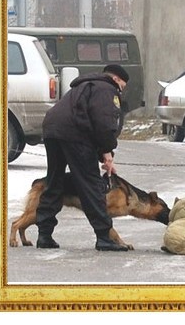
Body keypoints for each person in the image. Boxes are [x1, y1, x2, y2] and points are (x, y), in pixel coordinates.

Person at [35, 64, 131, 252]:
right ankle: (104, 237)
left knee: (54, 182)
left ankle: (44, 235)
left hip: (52, 130)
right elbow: (104, 123)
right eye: (122, 86)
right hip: (75, 135)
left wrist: (105, 153)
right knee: (91, 184)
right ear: (117, 80)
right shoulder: (106, 89)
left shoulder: (84, 85)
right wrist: (106, 150)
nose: (120, 91)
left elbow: (88, 119)